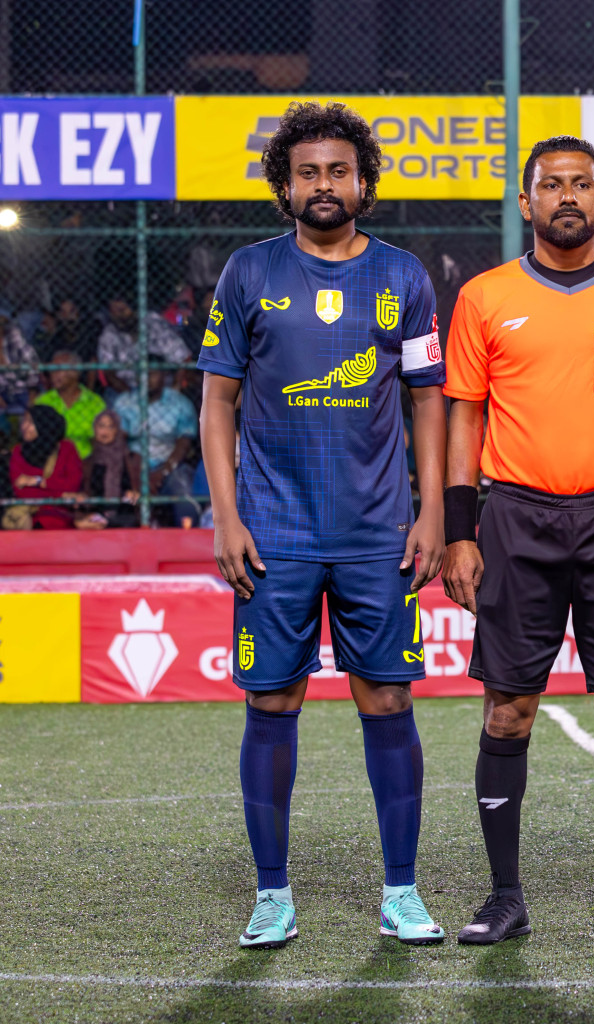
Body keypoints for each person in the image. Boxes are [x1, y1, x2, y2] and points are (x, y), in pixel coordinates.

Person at [199, 101, 448, 949]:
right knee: (274, 697)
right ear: (284, 186)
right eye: (307, 172)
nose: (324, 184)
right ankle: (272, 895)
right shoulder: (246, 274)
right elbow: (218, 401)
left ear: (364, 182)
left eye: (338, 170)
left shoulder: (404, 277)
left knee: (387, 697)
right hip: (273, 535)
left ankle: (402, 891)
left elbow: (427, 402)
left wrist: (434, 511)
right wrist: (227, 516)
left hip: (379, 534)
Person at [440, 136, 594, 944]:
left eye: (582, 184)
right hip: (515, 516)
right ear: (526, 203)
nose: (568, 196)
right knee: (509, 709)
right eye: (552, 185)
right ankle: (504, 896)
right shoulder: (484, 296)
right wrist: (459, 532)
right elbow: (464, 414)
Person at [114, 357, 200, 525]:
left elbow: (184, 443)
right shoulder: (124, 402)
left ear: (163, 375)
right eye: (142, 374)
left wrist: (163, 471)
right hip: (130, 466)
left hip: (168, 465)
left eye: (152, 374)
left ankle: (186, 536)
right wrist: (134, 473)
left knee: (182, 487)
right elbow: (119, 442)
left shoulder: (179, 403)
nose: (146, 378)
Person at [97, 293, 192, 393]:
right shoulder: (108, 335)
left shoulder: (154, 324)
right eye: (114, 312)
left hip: (162, 389)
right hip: (127, 390)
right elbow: (109, 373)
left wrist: (174, 389)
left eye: (122, 310)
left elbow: (183, 358)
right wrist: (131, 398)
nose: (121, 317)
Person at [8, 405, 83, 530]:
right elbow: (22, 492)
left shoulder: (66, 449)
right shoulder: (18, 451)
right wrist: (61, 496)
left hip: (60, 516)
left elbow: (72, 484)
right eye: (24, 421)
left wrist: (38, 481)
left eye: (31, 422)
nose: (24, 427)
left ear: (43, 424)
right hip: (29, 515)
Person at [34, 352, 108, 459]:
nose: (53, 374)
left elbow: (101, 441)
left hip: (85, 461)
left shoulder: (94, 402)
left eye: (58, 369)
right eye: (51, 370)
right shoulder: (43, 401)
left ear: (75, 372)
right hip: (52, 462)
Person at [77, 410, 143, 529]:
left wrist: (135, 493)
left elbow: (142, 489)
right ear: (94, 429)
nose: (105, 431)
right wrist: (83, 498)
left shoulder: (132, 459)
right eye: (101, 426)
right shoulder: (88, 462)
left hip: (125, 515)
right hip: (96, 515)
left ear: (117, 430)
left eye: (111, 426)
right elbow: (85, 494)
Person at [0, 304, 41, 413]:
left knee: (35, 411)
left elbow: (32, 367)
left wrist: (32, 393)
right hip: (3, 392)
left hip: (23, 390)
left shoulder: (14, 337)